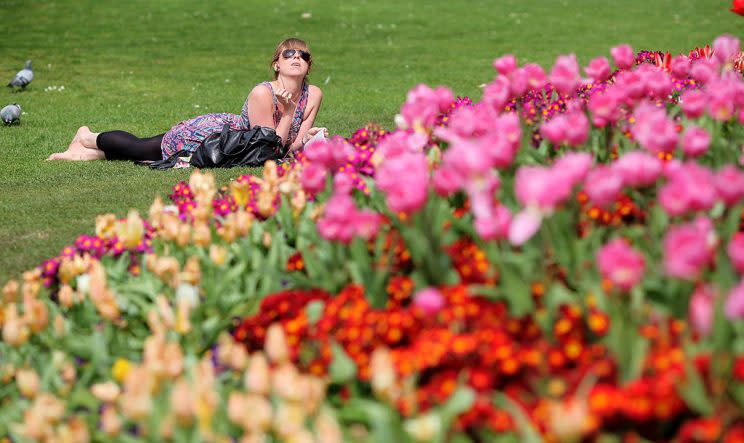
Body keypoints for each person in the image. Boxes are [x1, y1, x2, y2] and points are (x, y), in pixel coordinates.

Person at [48, 38, 326, 163]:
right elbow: (268, 149)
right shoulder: (262, 93)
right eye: (289, 54)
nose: (297, 58)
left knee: (146, 150)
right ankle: (87, 136)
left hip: (236, 146)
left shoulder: (313, 94)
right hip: (217, 136)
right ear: (276, 64)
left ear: (309, 67)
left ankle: (88, 153)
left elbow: (291, 149)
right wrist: (288, 113)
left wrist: (310, 138)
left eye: (303, 56)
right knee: (144, 147)